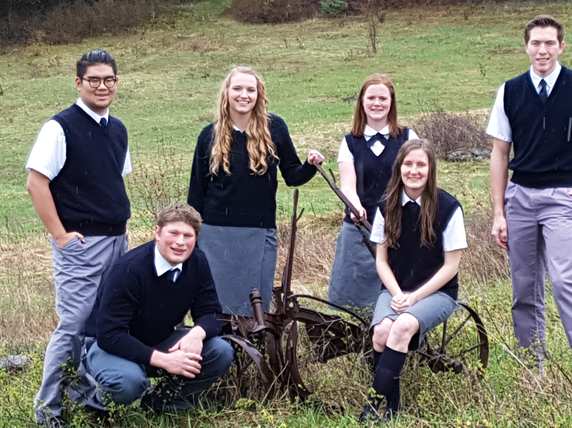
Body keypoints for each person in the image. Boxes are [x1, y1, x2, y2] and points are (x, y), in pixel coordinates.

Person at [487, 15, 572, 374]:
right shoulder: (509, 91)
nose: (542, 50)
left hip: (563, 197)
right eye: (536, 43)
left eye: (549, 43)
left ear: (561, 46)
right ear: (526, 47)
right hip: (520, 198)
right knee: (524, 288)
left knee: (565, 281)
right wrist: (499, 212)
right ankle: (533, 369)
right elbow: (500, 153)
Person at [25, 49, 131, 427]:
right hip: (81, 244)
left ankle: (85, 398)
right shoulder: (60, 127)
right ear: (79, 83)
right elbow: (36, 183)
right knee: (73, 325)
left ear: (116, 82)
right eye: (94, 80)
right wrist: (60, 236)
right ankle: (48, 411)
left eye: (108, 79)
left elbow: (114, 181)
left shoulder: (117, 129)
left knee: (103, 322)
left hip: (117, 241)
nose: (102, 86)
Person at [187, 66, 325, 316]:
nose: (244, 95)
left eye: (251, 90)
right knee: (215, 306)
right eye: (237, 88)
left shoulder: (275, 128)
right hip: (215, 234)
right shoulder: (209, 135)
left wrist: (310, 165)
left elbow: (293, 175)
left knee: (256, 308)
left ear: (259, 94)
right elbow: (197, 191)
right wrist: (192, 235)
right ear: (227, 93)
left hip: (259, 230)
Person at [80, 204, 234, 411]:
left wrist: (196, 334)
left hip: (159, 339)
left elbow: (212, 312)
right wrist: (165, 361)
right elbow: (109, 335)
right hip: (110, 346)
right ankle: (94, 411)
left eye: (188, 236)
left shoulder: (197, 262)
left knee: (220, 351)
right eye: (173, 233)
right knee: (128, 383)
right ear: (158, 233)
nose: (180, 242)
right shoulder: (129, 269)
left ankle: (163, 404)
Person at [360, 139, 467, 421]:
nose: (414, 170)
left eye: (421, 164)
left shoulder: (448, 207)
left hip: (438, 293)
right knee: (381, 332)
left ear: (431, 169)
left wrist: (414, 298)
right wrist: (397, 294)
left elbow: (451, 266)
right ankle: (391, 409)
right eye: (408, 164)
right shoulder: (386, 206)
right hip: (396, 290)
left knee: (403, 326)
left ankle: (371, 408)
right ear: (399, 168)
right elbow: (381, 261)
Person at [328, 73, 419, 313]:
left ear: (391, 102)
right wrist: (355, 206)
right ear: (362, 102)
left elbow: (418, 181)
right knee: (350, 299)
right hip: (360, 229)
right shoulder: (349, 143)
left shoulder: (408, 138)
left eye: (383, 98)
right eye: (371, 98)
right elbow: (348, 184)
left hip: (399, 227)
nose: (376, 103)